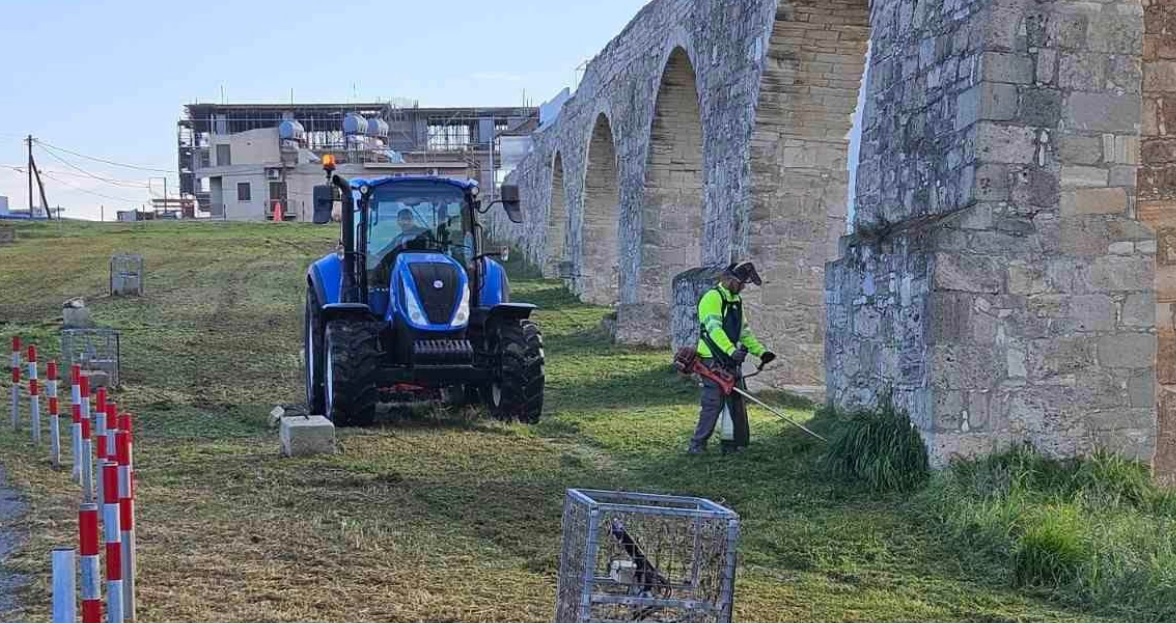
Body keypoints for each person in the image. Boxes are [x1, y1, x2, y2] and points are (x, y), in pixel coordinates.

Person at [688, 261, 776, 455]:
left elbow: (744, 333)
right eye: (742, 284)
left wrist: (761, 352)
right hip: (710, 358)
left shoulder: (736, 301)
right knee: (713, 402)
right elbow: (713, 329)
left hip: (730, 359)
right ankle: (697, 444)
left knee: (736, 401)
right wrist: (730, 350)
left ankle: (733, 444)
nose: (744, 288)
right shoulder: (712, 297)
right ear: (732, 280)